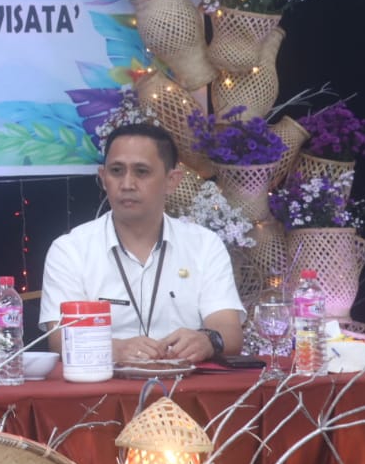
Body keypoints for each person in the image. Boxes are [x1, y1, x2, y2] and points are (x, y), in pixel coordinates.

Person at [39, 124, 245, 363]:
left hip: (185, 382)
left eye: (141, 172)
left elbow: (230, 332)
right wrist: (115, 350)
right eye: (116, 171)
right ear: (103, 178)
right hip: (105, 382)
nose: (127, 184)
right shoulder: (70, 249)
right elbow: (60, 340)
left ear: (171, 180)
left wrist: (208, 341)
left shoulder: (204, 244)